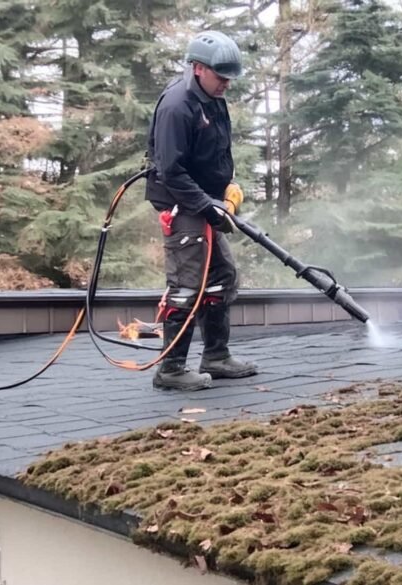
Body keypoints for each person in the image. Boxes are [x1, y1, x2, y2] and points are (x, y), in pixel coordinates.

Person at [144, 31, 257, 391]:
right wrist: (207, 206)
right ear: (197, 69)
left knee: (223, 275)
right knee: (186, 286)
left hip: (207, 200)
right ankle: (171, 369)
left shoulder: (214, 99)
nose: (226, 83)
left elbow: (218, 153)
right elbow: (170, 170)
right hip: (181, 203)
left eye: (229, 77)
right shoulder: (177, 106)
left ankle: (216, 357)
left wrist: (228, 188)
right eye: (220, 76)